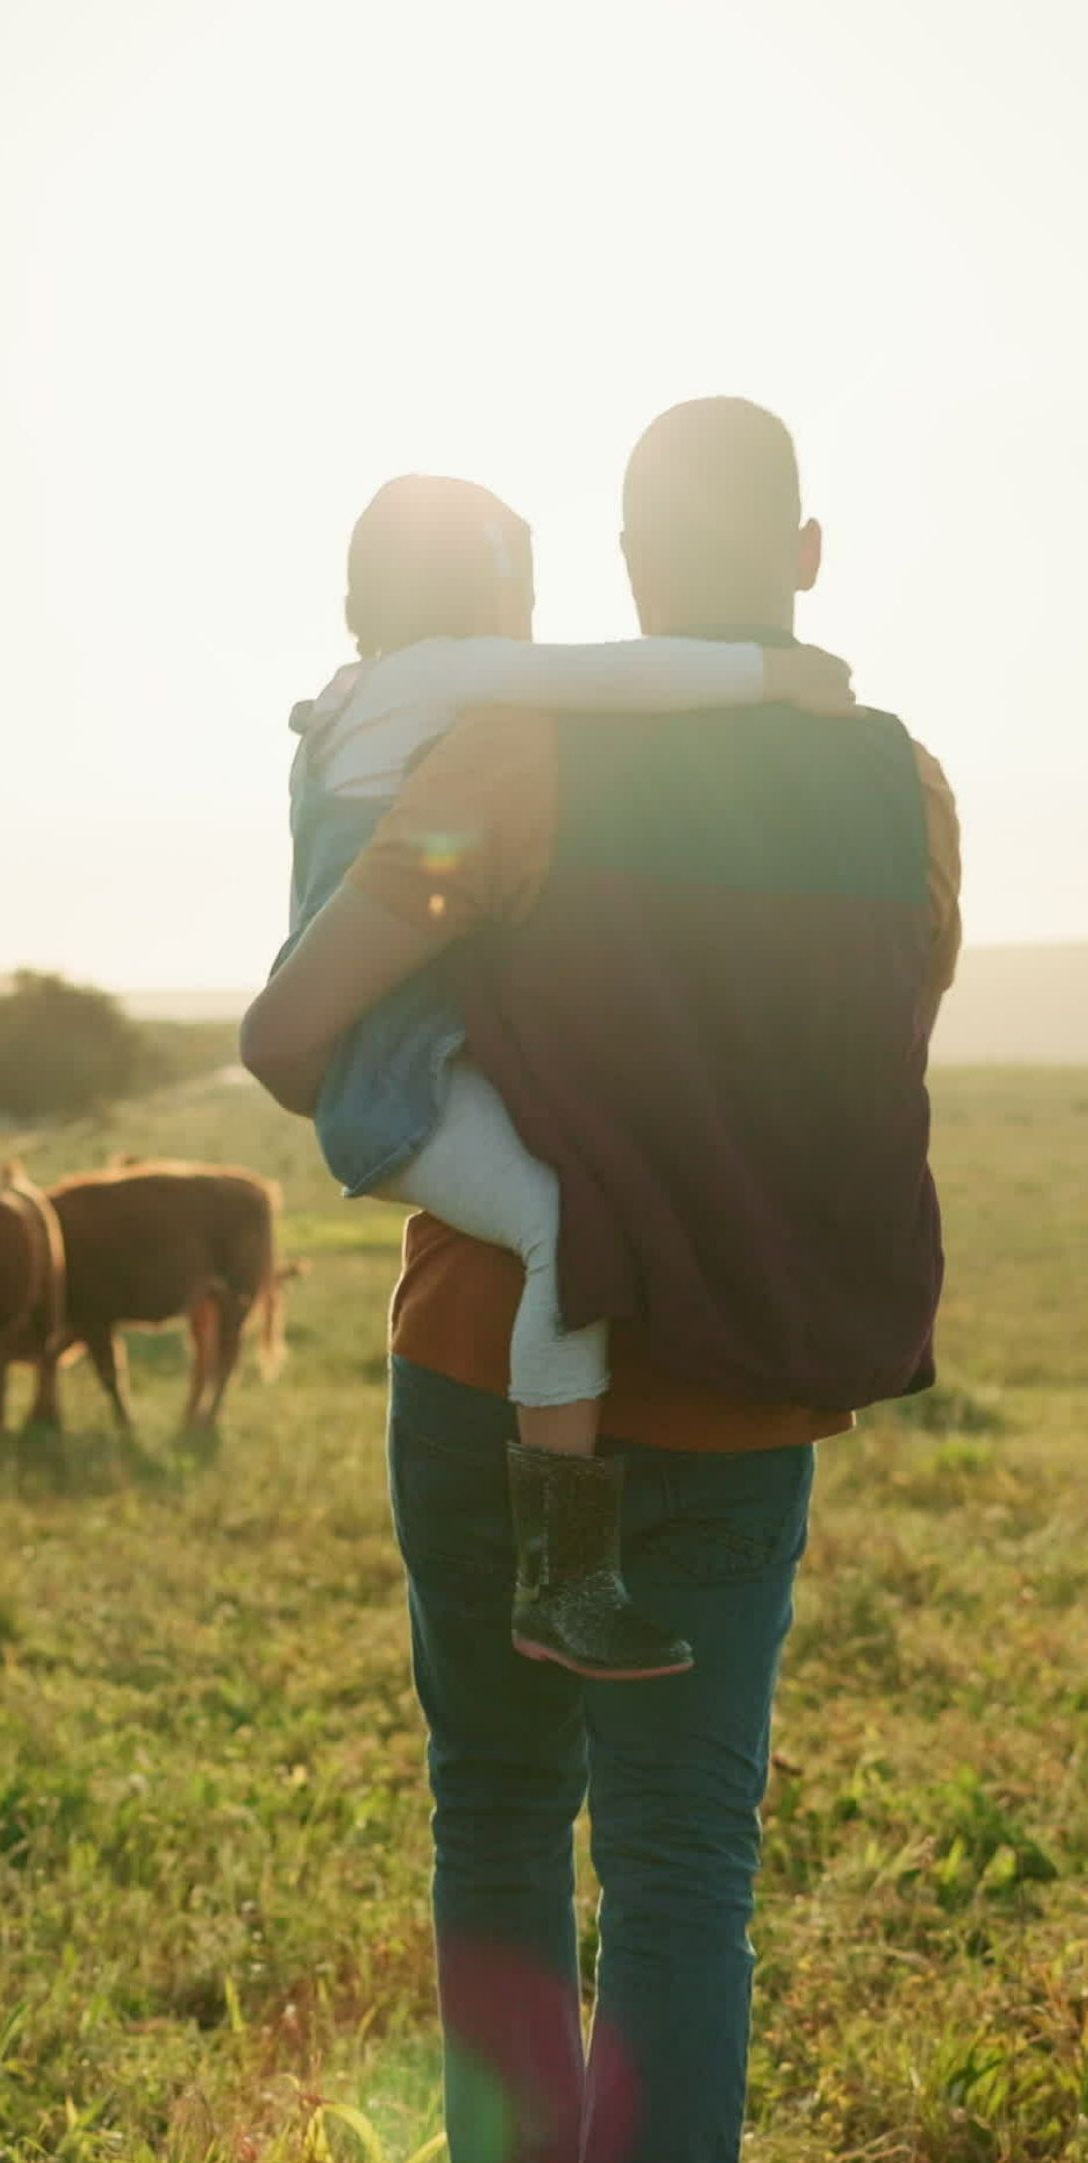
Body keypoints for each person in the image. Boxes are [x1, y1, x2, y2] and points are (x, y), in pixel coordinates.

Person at [241, 398, 960, 2163]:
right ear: (801, 560)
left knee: (494, 1816)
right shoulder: (904, 791)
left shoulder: (514, 752)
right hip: (739, 1396)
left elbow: (300, 1029)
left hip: (488, 1373)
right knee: (682, 1887)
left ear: (622, 582)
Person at [279, 472, 856, 1680]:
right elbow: (617, 680)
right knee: (564, 1224)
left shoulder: (355, 698)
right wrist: (772, 679)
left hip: (410, 1052)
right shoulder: (443, 678)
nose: (534, 622)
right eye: (522, 590)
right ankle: (566, 1576)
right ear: (480, 596)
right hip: (403, 1069)